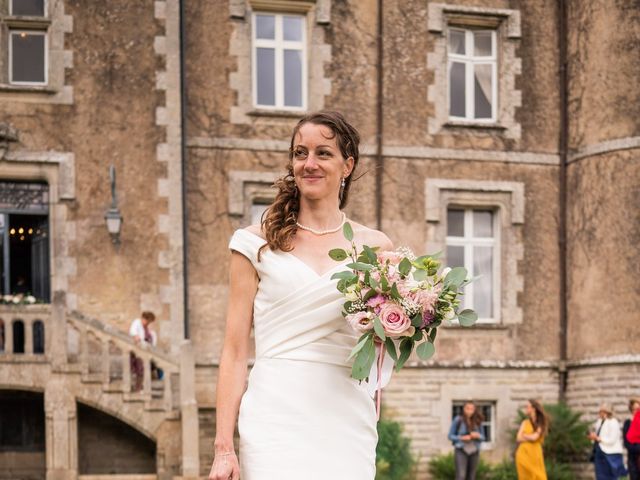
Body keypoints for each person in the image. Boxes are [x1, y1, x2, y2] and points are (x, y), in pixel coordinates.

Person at [208, 111, 392, 480]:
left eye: (323, 153)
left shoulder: (376, 248)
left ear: (347, 165)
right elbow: (234, 350)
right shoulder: (254, 243)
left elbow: (379, 351)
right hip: (274, 416)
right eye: (300, 153)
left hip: (345, 419)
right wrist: (223, 447)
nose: (309, 163)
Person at [588, 403, 627, 480]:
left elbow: (612, 440)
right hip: (599, 452)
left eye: (601, 411)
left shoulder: (613, 422)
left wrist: (598, 438)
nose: (599, 413)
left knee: (611, 476)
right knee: (600, 476)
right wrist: (593, 437)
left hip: (610, 454)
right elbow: (598, 435)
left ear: (607, 412)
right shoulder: (599, 422)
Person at [448, 401, 485, 480]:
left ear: (474, 410)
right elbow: (450, 436)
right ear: (464, 409)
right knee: (461, 476)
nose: (469, 411)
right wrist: (461, 438)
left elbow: (483, 437)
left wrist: (477, 435)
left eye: (472, 409)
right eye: (467, 408)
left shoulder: (478, 421)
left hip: (474, 450)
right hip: (461, 450)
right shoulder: (458, 420)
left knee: (471, 476)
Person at [515, 399, 549, 480]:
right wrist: (529, 436)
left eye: (528, 407)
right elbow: (518, 438)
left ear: (533, 409)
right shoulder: (525, 422)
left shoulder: (541, 422)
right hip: (523, 454)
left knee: (538, 476)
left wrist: (524, 435)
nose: (526, 409)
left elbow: (535, 438)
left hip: (535, 454)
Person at [128, 311, 158, 391]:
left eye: (150, 321)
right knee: (138, 370)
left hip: (145, 353)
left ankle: (139, 387)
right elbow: (133, 332)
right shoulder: (137, 323)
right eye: (148, 321)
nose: (148, 323)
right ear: (144, 318)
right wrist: (136, 336)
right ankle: (136, 388)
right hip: (138, 352)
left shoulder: (148, 330)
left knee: (142, 371)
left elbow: (152, 341)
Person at [623, 398, 640, 480]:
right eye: (634, 409)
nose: (636, 411)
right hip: (633, 459)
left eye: (638, 409)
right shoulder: (628, 423)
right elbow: (626, 443)